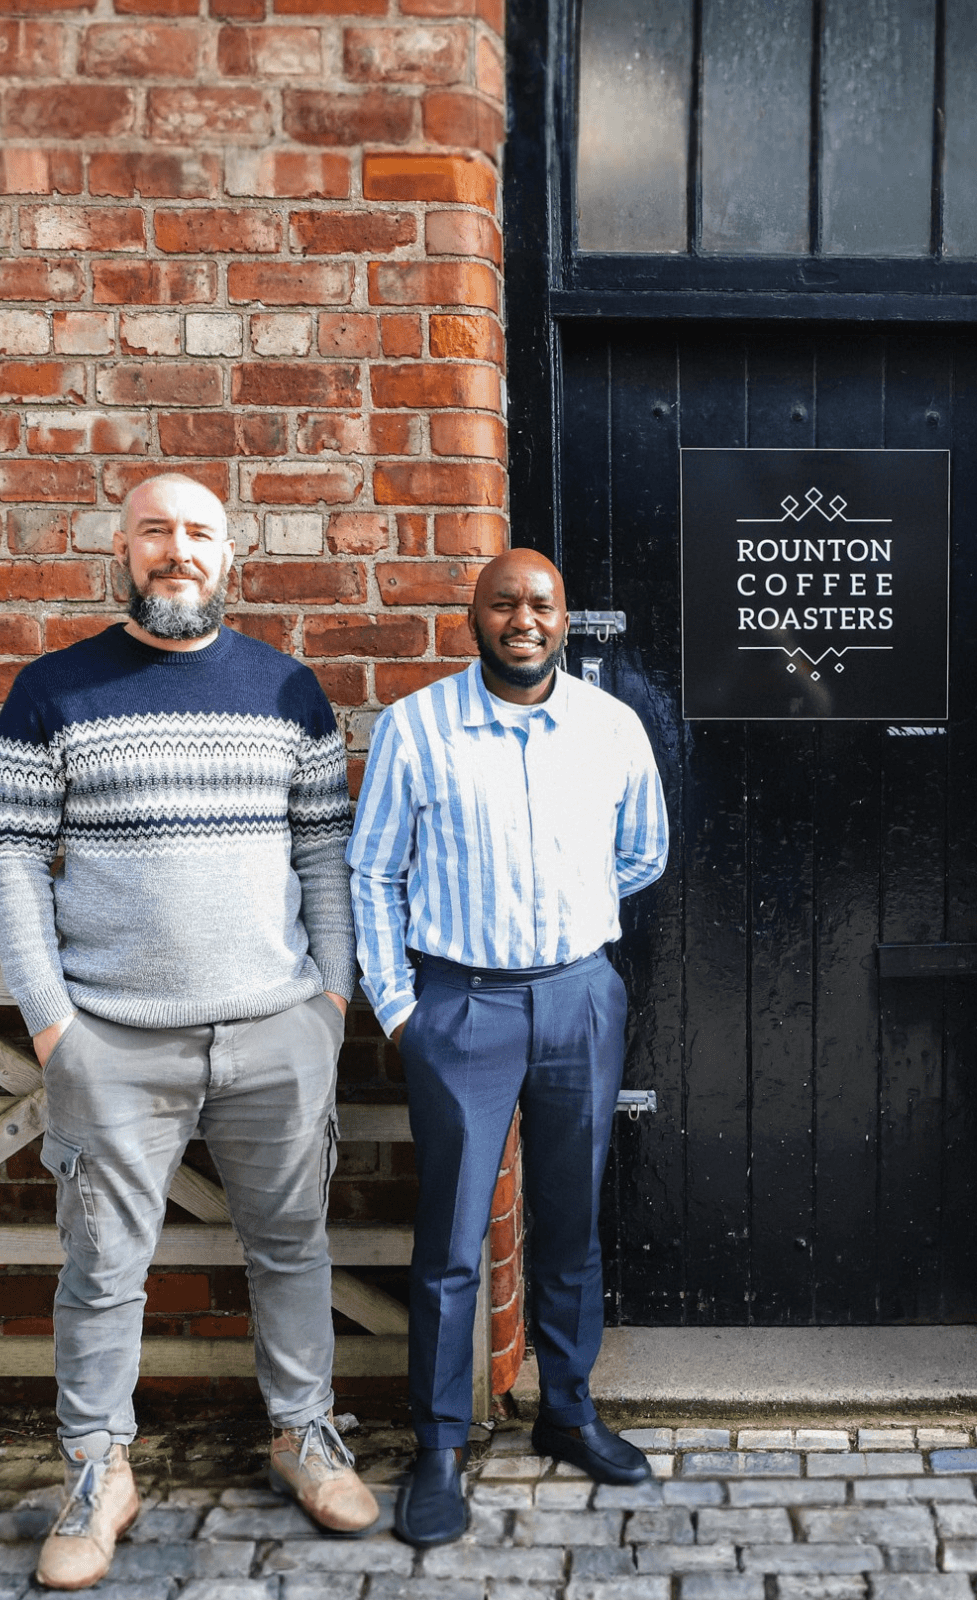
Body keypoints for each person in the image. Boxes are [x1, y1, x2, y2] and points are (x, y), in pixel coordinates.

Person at [0, 472, 377, 1591]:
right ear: (117, 550)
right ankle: (96, 1468)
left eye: (198, 533)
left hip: (276, 1030)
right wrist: (54, 1021)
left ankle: (302, 1433)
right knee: (103, 1268)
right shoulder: (49, 692)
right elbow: (10, 859)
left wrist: (332, 1003)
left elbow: (323, 856)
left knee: (292, 1246)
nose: (177, 551)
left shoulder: (287, 690)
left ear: (231, 553)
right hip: (111, 1036)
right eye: (155, 531)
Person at [348, 548, 668, 1546]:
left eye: (540, 603)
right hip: (461, 1007)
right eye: (503, 603)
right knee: (450, 1236)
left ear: (564, 617)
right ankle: (439, 1445)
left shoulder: (609, 727)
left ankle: (568, 1411)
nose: (522, 618)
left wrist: (567, 919)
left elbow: (643, 846)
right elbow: (370, 872)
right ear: (474, 615)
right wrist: (401, 1009)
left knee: (570, 1222)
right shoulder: (417, 728)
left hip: (578, 1001)